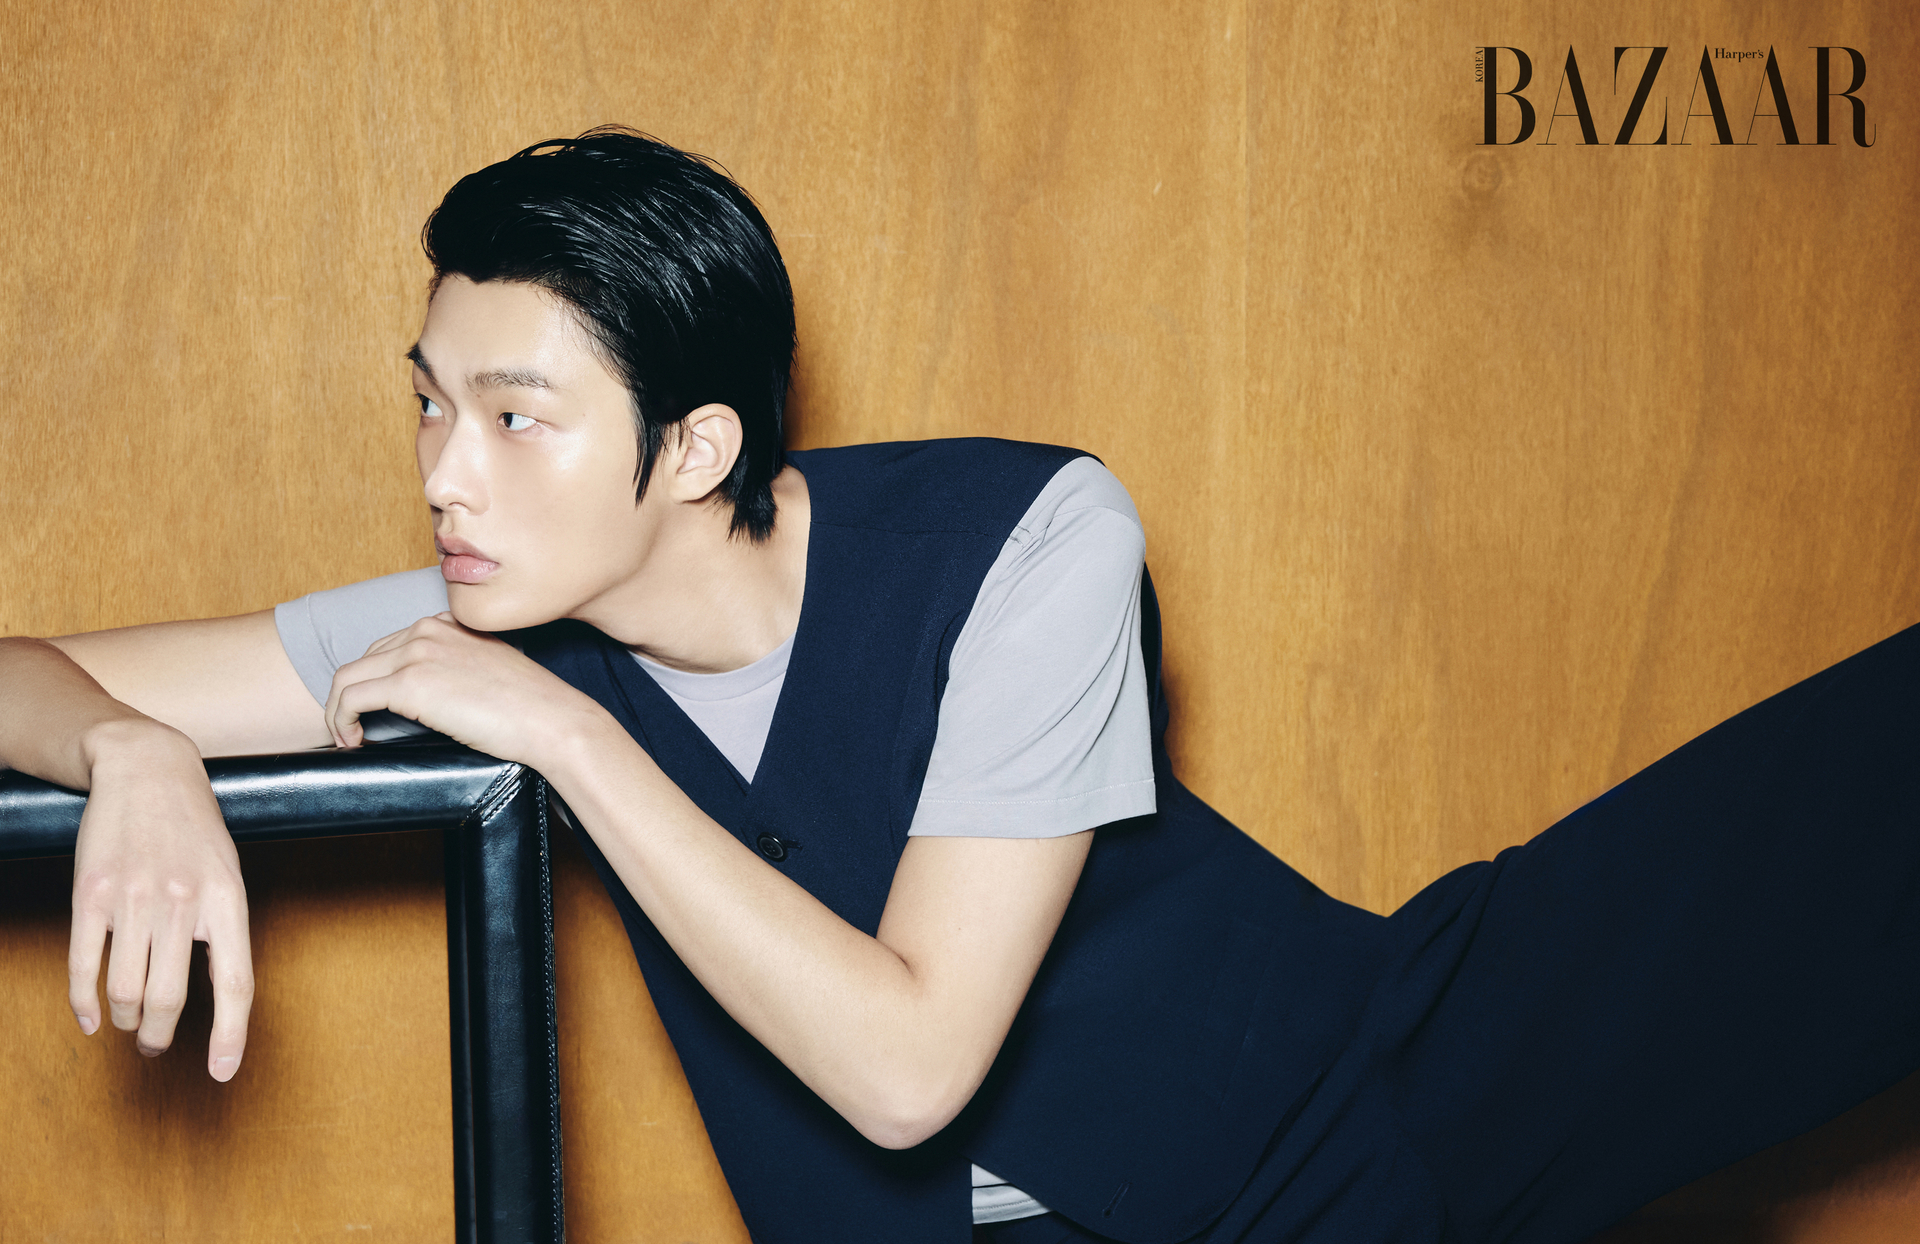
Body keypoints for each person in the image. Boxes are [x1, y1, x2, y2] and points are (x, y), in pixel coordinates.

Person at [1, 128, 1916, 1244]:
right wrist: (133, 751)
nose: (445, 475)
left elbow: (909, 1069)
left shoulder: (1032, 538)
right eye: (429, 405)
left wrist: (570, 735)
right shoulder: (476, 610)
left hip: (1329, 1133)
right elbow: (23, 673)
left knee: (1833, 829)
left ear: (693, 447)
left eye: (514, 417)